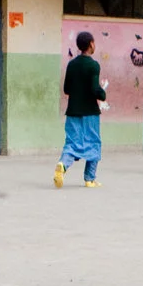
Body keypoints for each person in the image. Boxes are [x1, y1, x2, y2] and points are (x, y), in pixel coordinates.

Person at [56, 31, 106, 187]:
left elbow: (66, 89)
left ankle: (63, 165)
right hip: (90, 112)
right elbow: (94, 89)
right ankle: (90, 179)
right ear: (91, 44)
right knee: (94, 142)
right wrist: (102, 93)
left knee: (71, 142)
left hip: (73, 112)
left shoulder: (71, 64)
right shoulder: (93, 65)